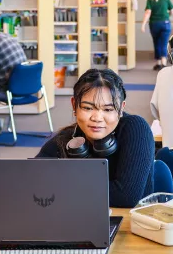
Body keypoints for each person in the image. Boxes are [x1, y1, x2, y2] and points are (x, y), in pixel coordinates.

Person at [37, 69, 154, 208]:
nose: (97, 118)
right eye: (87, 108)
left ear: (121, 109)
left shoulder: (135, 128)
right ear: (74, 105)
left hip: (131, 224)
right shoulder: (68, 139)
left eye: (108, 110)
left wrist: (62, 185)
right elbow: (32, 181)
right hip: (81, 222)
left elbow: (125, 197)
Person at [141, 0, 173, 70]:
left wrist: (143, 24)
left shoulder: (150, 0)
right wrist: (167, 15)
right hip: (165, 23)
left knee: (156, 43)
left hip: (154, 24)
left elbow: (148, 12)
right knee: (164, 43)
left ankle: (159, 63)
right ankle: (163, 63)